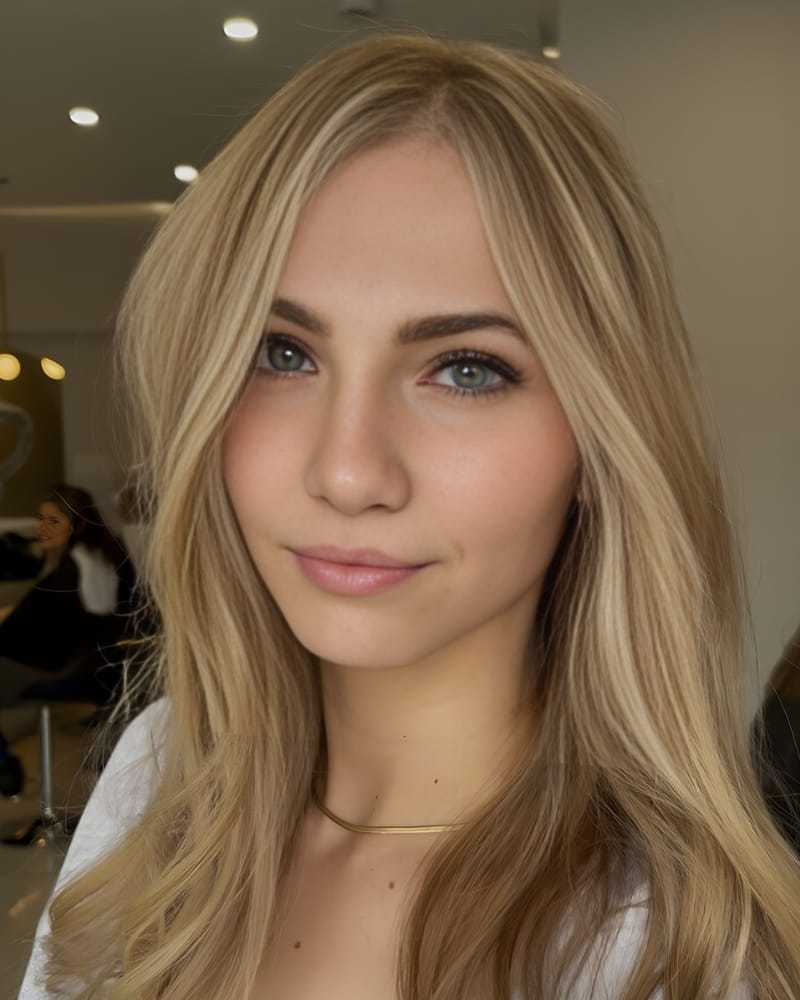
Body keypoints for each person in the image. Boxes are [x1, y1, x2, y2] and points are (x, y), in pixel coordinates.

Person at [18, 31, 799, 1000]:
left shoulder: (672, 955)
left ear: (603, 435)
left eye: (466, 370)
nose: (348, 473)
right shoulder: (156, 781)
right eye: (281, 353)